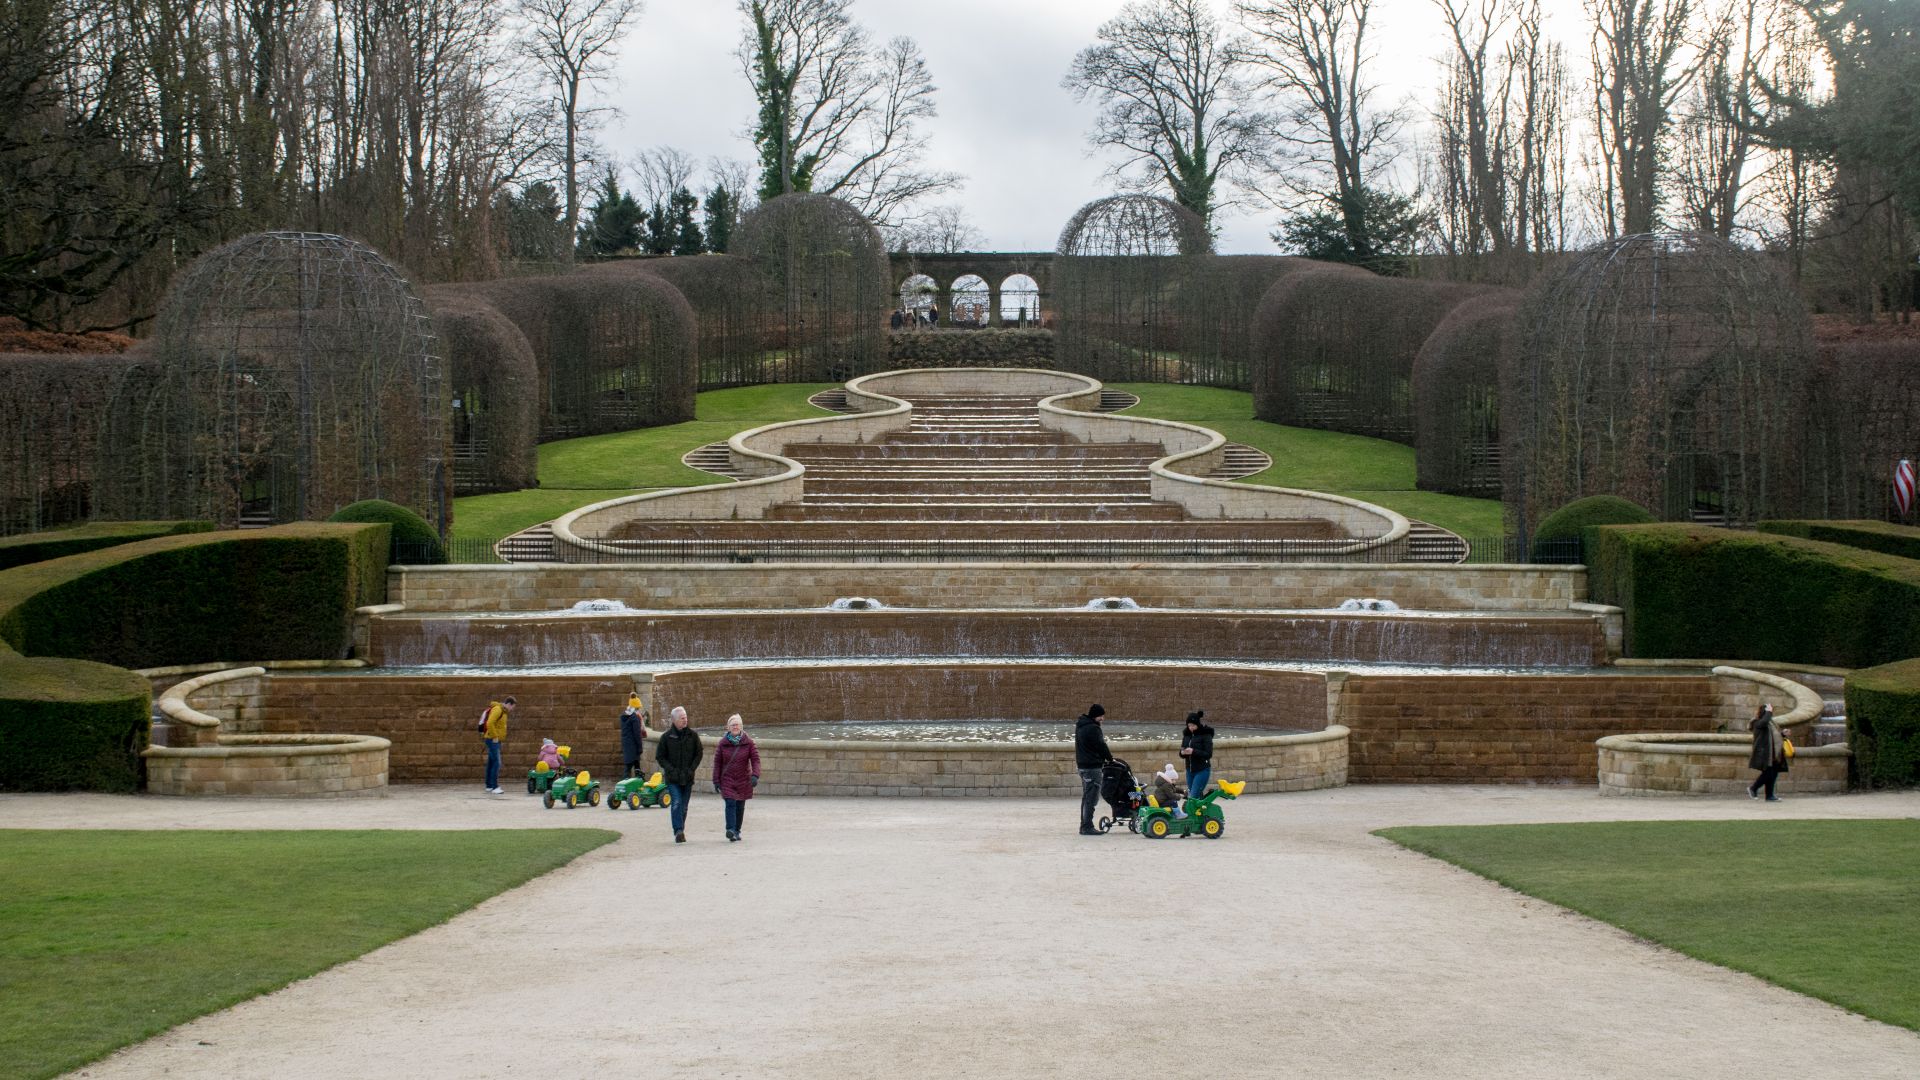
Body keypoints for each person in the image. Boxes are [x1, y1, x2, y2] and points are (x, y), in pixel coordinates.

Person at [654, 706, 703, 843]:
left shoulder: (693, 736)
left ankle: (680, 829)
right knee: (676, 802)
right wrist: (671, 770)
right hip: (673, 778)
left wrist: (691, 769)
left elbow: (699, 753)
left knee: (684, 806)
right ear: (674, 720)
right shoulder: (666, 737)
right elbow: (660, 756)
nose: (685, 720)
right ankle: (678, 831)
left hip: (687, 777)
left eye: (686, 717)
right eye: (682, 718)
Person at [712, 713, 761, 842]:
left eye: (737, 724)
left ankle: (737, 830)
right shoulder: (722, 743)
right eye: (733, 725)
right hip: (727, 779)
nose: (735, 726)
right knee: (730, 802)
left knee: (740, 805)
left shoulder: (749, 742)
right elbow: (717, 763)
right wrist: (716, 780)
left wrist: (755, 775)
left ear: (741, 727)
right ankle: (730, 829)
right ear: (728, 728)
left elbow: (756, 760)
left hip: (743, 779)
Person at [1074, 703, 1113, 836]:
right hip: (1092, 767)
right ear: (1095, 715)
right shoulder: (1093, 729)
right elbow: (1101, 746)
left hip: (1082, 766)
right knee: (1091, 797)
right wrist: (1110, 759)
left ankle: (1084, 825)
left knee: (1086, 797)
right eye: (1101, 716)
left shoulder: (1081, 725)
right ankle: (1087, 826)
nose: (1102, 718)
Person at [1747, 703, 1789, 802]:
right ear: (1765, 712)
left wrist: (1782, 734)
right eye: (1770, 711)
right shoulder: (1757, 722)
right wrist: (1769, 711)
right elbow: (1764, 723)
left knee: (1773, 773)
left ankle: (1769, 796)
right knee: (1768, 774)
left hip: (1773, 752)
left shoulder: (1771, 723)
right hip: (1765, 752)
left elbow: (1774, 736)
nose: (1772, 713)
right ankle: (1753, 788)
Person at [480, 696, 515, 794]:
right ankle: (495, 787)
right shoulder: (498, 709)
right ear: (509, 704)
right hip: (493, 739)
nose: (512, 709)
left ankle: (489, 786)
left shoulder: (503, 712)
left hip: (494, 739)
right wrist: (495, 736)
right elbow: (490, 723)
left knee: (491, 762)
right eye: (512, 707)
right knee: (497, 762)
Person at [1180, 710, 1214, 797]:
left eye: (1193, 725)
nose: (1191, 727)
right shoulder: (1187, 735)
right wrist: (1182, 753)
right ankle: (1203, 810)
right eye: (1189, 725)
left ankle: (1191, 811)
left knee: (1193, 796)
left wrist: (1193, 751)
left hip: (1202, 770)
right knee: (1196, 797)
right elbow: (1181, 752)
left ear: (1198, 724)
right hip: (1189, 770)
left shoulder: (1206, 735)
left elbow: (1208, 754)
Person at [618, 694, 647, 779]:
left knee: (635, 766)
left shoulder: (624, 716)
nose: (639, 710)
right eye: (638, 708)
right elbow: (637, 734)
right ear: (636, 707)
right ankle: (623, 788)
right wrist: (640, 748)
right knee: (629, 768)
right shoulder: (635, 718)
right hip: (633, 746)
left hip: (626, 745)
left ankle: (639, 783)